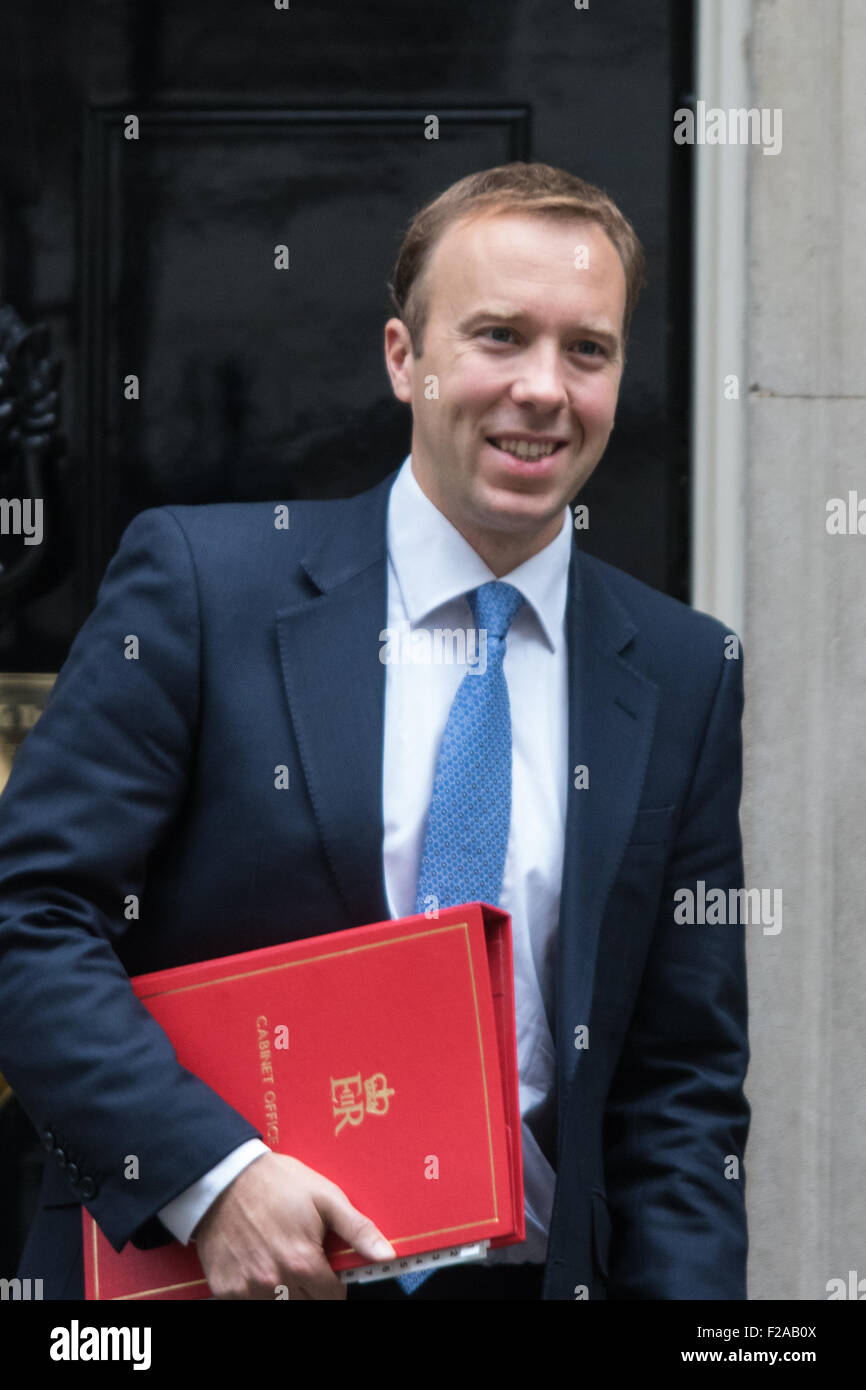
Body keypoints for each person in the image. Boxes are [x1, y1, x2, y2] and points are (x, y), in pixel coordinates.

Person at [0, 162, 750, 1301]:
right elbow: (26, 915)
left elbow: (679, 1083)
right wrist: (213, 1177)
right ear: (404, 357)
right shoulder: (205, 587)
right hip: (214, 1273)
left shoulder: (682, 669)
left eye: (585, 350)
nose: (542, 388)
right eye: (497, 335)